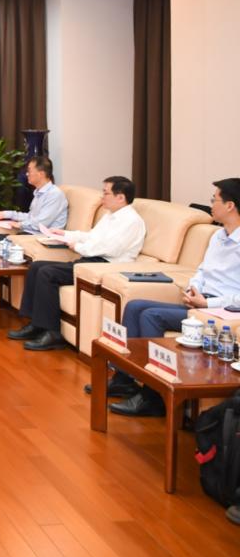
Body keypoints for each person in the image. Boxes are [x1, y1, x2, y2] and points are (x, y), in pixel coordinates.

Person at [99, 178, 240, 417]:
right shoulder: (218, 236)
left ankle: (153, 397)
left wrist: (207, 302)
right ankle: (124, 379)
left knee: (152, 315)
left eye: (214, 200)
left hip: (219, 311)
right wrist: (193, 288)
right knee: (134, 306)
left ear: (230, 205)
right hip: (200, 302)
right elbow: (203, 270)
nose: (211, 204)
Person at [9, 176, 146, 351]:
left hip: (105, 265)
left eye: (106, 193)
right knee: (36, 266)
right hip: (92, 260)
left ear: (120, 197)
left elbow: (111, 249)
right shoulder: (110, 215)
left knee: (47, 273)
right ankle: (35, 324)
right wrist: (66, 235)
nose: (102, 197)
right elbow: (91, 236)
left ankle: (53, 333)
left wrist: (78, 247)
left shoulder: (131, 221)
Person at [0, 155, 68, 305]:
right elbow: (30, 216)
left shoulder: (54, 195)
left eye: (29, 170)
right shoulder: (39, 193)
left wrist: (19, 224)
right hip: (28, 233)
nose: (27, 174)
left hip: (39, 237)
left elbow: (41, 223)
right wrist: (6, 214)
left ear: (41, 173)